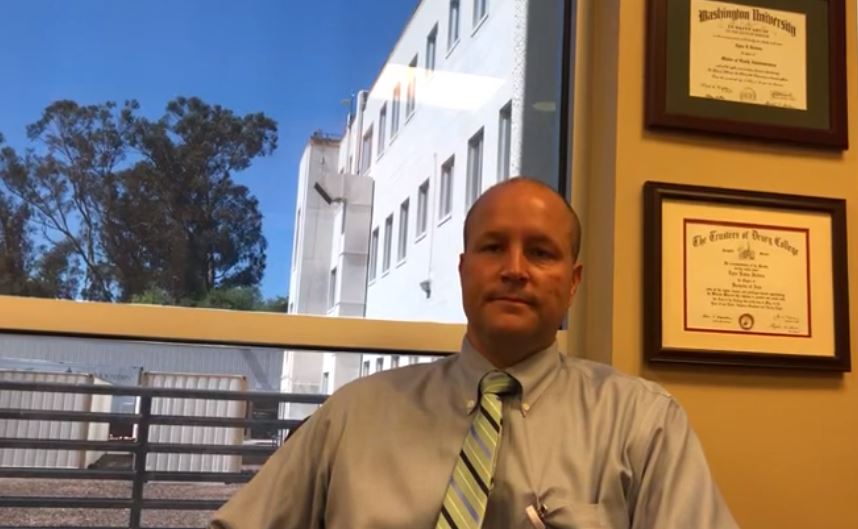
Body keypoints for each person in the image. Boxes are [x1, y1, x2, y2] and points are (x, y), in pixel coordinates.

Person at [210, 177, 739, 529]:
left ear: (573, 283)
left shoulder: (643, 424)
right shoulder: (353, 415)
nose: (514, 268)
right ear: (464, 271)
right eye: (493, 248)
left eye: (540, 252)